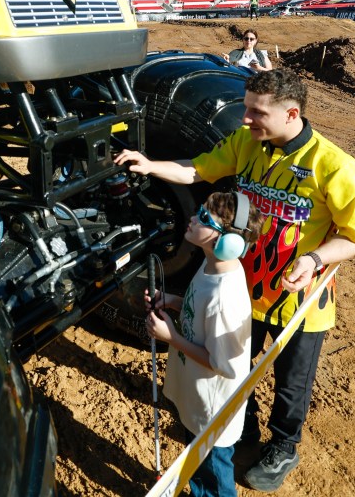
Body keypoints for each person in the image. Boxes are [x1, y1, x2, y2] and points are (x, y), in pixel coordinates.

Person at [115, 68, 355, 492]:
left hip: (299, 301)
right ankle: (244, 428)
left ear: (291, 114)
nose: (245, 119)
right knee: (232, 372)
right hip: (243, 292)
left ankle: (284, 446)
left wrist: (314, 258)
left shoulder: (339, 168)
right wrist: (150, 165)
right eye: (246, 108)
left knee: (291, 386)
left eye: (256, 112)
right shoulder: (246, 144)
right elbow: (197, 170)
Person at [145, 190, 261, 497]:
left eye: (204, 217)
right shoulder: (212, 264)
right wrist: (172, 301)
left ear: (227, 241)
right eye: (199, 211)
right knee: (196, 467)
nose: (194, 217)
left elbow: (221, 363)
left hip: (213, 413)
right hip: (197, 399)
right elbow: (200, 310)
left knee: (213, 482)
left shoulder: (225, 298)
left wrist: (171, 338)